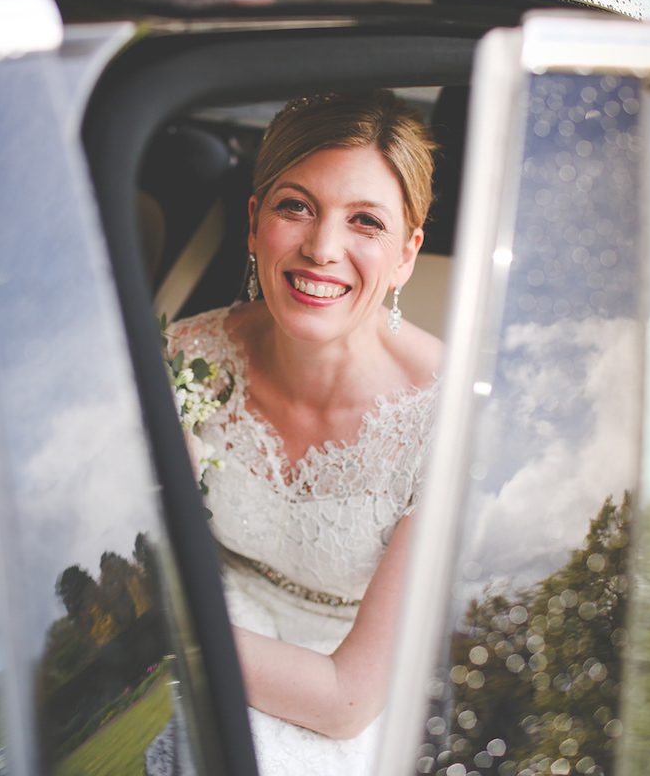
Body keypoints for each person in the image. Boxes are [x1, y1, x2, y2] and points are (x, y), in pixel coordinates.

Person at [165, 90, 442, 775]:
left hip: (352, 685)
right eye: (297, 206)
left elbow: (348, 702)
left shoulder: (453, 422)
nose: (322, 249)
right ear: (255, 222)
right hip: (218, 608)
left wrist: (164, 641)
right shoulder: (188, 359)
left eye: (365, 222)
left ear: (406, 255)